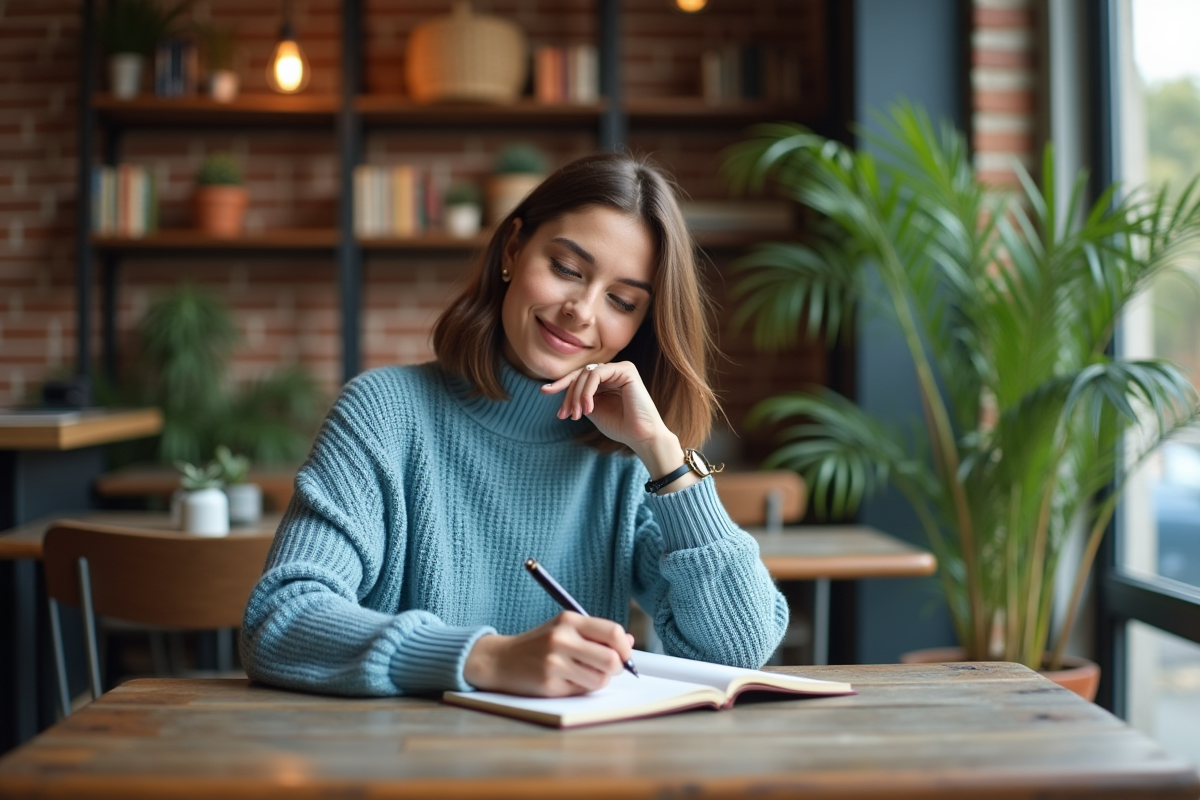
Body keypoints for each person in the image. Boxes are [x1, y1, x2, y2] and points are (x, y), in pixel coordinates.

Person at [240, 152, 788, 698]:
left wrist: (665, 455)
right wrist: (485, 659)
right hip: (406, 768)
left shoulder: (627, 458)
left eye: (622, 300)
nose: (583, 310)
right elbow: (281, 620)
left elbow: (740, 646)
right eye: (567, 270)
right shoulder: (383, 415)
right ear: (512, 249)